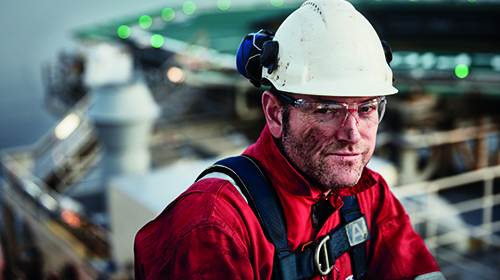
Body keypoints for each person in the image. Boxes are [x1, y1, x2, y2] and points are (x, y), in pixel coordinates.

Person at [134, 0, 444, 279]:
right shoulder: (213, 228)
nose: (353, 133)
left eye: (366, 108)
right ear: (273, 112)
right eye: (326, 109)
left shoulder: (368, 197)